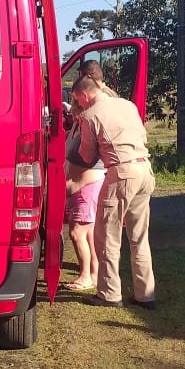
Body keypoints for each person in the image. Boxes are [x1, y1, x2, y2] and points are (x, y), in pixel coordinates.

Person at [70, 76, 156, 310]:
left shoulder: (90, 115)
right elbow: (143, 136)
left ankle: (109, 293)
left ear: (84, 96)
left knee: (107, 235)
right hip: (144, 169)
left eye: (78, 100)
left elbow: (87, 157)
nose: (80, 104)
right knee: (139, 237)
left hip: (121, 172)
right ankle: (145, 294)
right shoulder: (128, 105)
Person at [63, 102, 103, 290]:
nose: (71, 111)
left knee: (77, 232)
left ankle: (86, 275)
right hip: (79, 186)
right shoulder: (77, 127)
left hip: (87, 185)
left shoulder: (88, 128)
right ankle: (94, 273)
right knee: (87, 234)